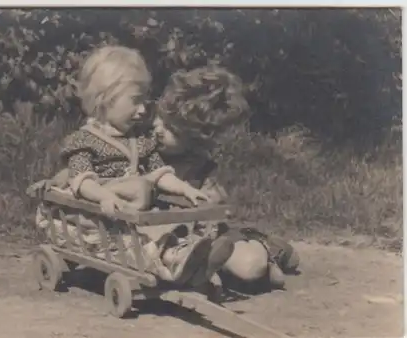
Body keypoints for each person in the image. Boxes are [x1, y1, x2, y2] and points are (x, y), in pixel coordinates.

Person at [29, 45, 234, 287]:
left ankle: (189, 261)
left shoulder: (141, 141)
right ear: (105, 99)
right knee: (142, 226)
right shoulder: (84, 140)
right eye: (136, 101)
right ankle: (176, 260)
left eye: (145, 101)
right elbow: (82, 180)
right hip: (101, 210)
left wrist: (184, 189)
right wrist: (103, 195)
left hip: (134, 209)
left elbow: (159, 174)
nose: (144, 109)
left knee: (161, 219)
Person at [153, 65, 300, 289]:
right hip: (165, 238)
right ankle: (205, 269)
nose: (157, 129)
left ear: (195, 138)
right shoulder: (144, 150)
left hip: (202, 235)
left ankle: (270, 249)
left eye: (171, 128)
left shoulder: (202, 169)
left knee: (249, 267)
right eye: (159, 119)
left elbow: (213, 217)